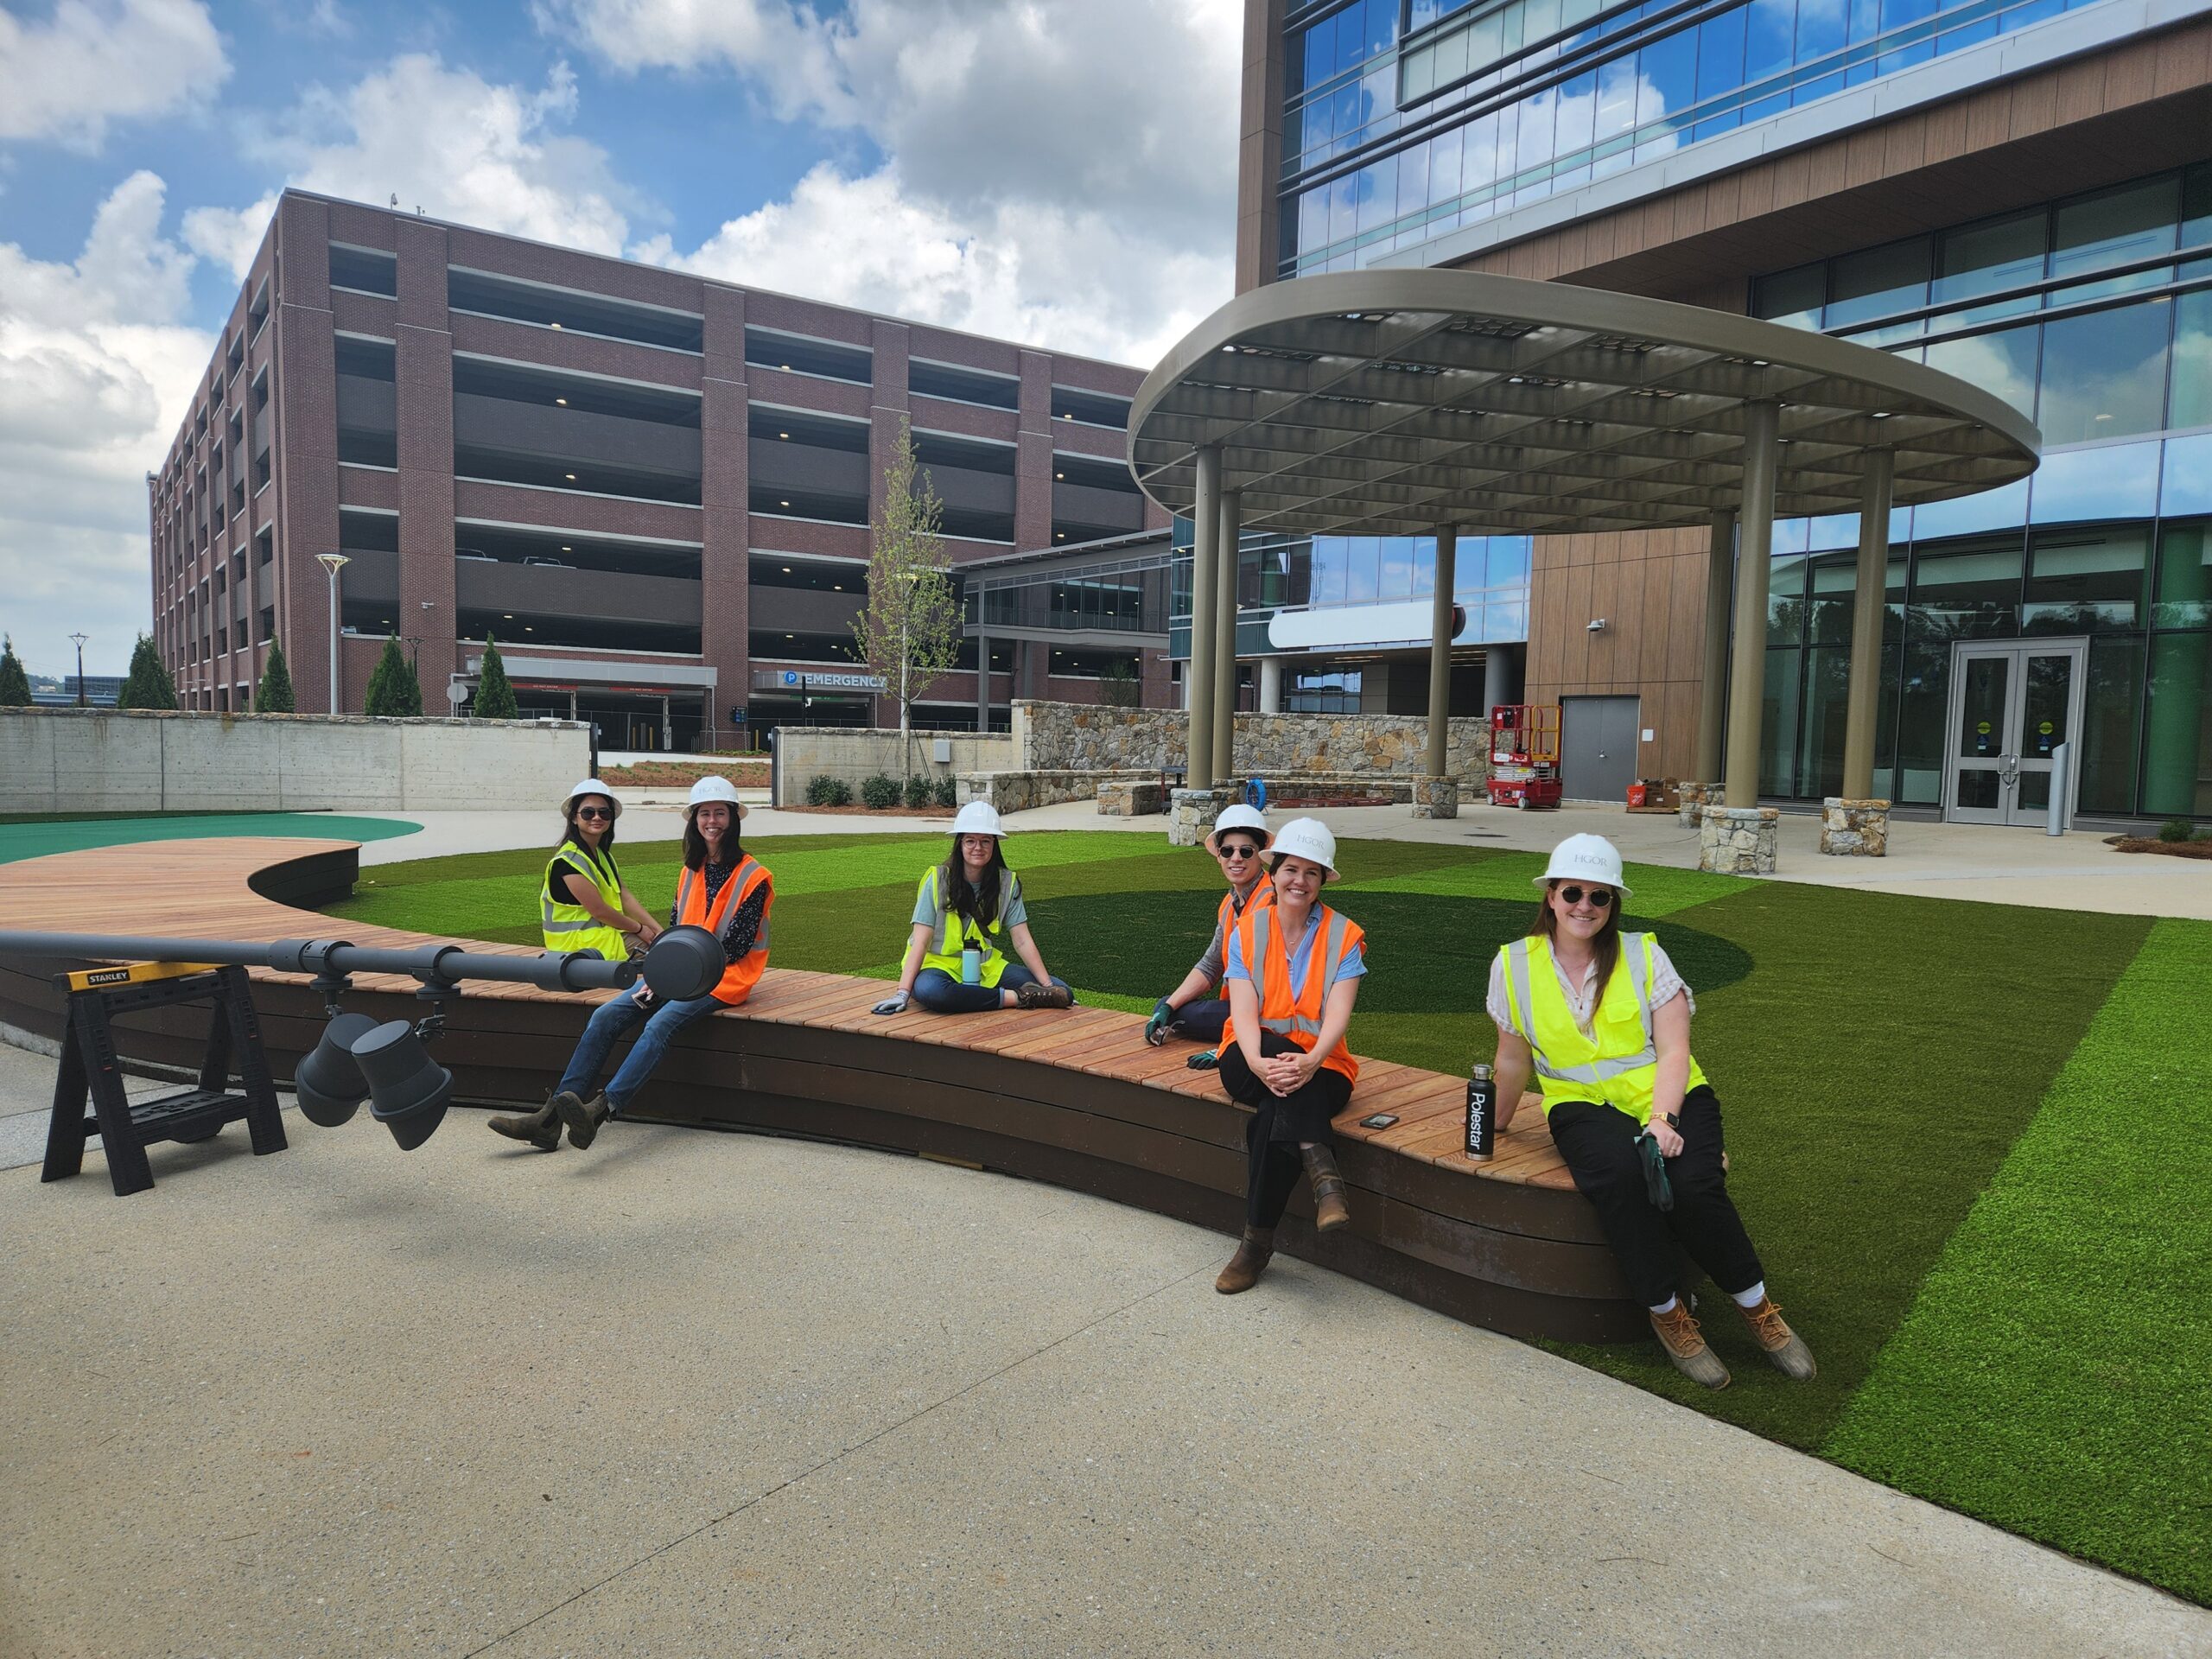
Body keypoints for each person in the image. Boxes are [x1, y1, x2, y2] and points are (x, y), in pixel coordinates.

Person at [1486, 833, 1815, 1389]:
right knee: (1619, 1178)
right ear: (1550, 896)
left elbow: (1675, 1050)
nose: (1584, 906)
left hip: (1671, 1095)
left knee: (1693, 1184)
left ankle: (1757, 1307)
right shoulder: (1512, 964)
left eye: (1600, 897)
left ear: (1614, 904)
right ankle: (1667, 1314)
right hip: (1580, 1104)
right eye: (1572, 893)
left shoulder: (1643, 953)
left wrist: (1662, 1119)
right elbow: (1512, 1058)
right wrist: (1492, 1121)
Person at [492, 777, 772, 1152]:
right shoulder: (692, 869)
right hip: (684, 974)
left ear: (734, 820)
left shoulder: (754, 875)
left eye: (720, 813)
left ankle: (600, 1110)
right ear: (694, 821)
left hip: (725, 979)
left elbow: (735, 947)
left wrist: (674, 970)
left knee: (660, 1023)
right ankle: (549, 1120)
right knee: (606, 1017)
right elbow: (678, 927)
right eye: (705, 813)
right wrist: (664, 970)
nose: (712, 821)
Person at [1210, 817, 1366, 1295]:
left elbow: (1339, 1016)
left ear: (1322, 881)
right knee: (1278, 1082)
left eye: (1312, 872)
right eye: (1291, 869)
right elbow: (1242, 1008)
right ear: (1273, 873)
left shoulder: (1345, 935)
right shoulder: (1247, 929)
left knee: (1272, 1117)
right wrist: (1258, 1061)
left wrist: (1313, 1059)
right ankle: (1321, 1166)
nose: (1299, 880)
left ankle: (1254, 1246)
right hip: (1248, 1055)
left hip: (1324, 1067)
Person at [870, 800, 1072, 1016]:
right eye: (970, 841)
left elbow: (1022, 940)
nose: (978, 848)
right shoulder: (937, 879)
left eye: (985, 841)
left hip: (985, 967)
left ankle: (1001, 995)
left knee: (1064, 991)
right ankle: (1018, 998)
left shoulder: (1006, 883)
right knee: (934, 992)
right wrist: (902, 993)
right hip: (937, 966)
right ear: (960, 844)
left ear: (995, 845)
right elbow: (921, 940)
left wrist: (1049, 987)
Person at [1144, 804, 1274, 1053]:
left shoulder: (1271, 900)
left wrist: (1226, 1047)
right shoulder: (1230, 904)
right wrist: (1168, 1007)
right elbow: (1211, 965)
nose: (1235, 858)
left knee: (1184, 1013)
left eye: (1246, 852)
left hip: (1269, 1012)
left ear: (1261, 853)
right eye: (1228, 851)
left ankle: (1240, 1038)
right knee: (1168, 1004)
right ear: (1219, 856)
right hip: (1240, 1008)